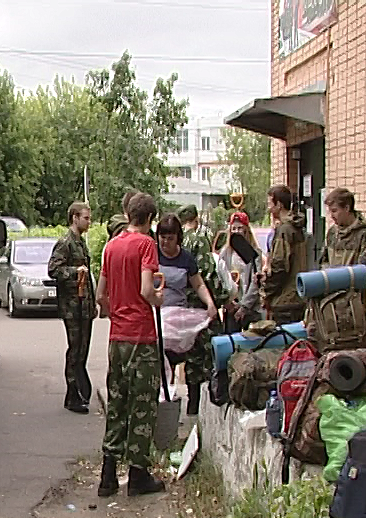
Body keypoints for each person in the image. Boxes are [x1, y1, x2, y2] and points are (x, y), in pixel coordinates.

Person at [95, 192, 166, 498]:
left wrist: (118, 311)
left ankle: (108, 476)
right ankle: (138, 475)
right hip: (141, 336)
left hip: (117, 338)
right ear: (150, 219)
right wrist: (158, 299)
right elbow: (146, 289)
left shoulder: (111, 246)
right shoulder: (146, 244)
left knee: (117, 402)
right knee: (142, 405)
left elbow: (101, 295)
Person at [156, 213, 218, 416]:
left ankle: (193, 404)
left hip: (179, 315)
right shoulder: (153, 255)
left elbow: (198, 283)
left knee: (193, 354)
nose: (165, 243)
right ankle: (165, 401)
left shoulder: (186, 259)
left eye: (170, 238)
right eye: (162, 237)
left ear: (178, 238)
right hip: (158, 314)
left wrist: (210, 303)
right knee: (162, 358)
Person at [48, 202, 98, 414]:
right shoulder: (65, 243)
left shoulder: (80, 243)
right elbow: (53, 270)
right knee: (75, 350)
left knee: (83, 350)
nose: (89, 222)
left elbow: (87, 278)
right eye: (85, 218)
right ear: (74, 218)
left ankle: (79, 391)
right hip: (72, 307)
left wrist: (93, 303)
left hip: (83, 306)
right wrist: (74, 271)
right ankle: (73, 392)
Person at [319, 187, 366, 312]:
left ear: (347, 208)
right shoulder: (332, 234)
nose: (331, 216)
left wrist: (337, 278)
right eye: (330, 212)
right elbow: (323, 261)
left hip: (352, 306)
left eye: (334, 211)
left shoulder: (364, 237)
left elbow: (363, 273)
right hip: (329, 302)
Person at [261, 185, 308, 325]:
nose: (268, 208)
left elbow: (280, 266)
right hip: (298, 296)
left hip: (284, 301)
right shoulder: (296, 227)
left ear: (279, 205)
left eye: (270, 203)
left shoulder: (284, 231)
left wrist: (266, 292)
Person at [218, 211, 263, 333]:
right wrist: (228, 301)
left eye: (240, 228)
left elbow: (256, 283)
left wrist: (244, 306)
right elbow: (221, 278)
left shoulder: (255, 253)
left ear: (246, 230)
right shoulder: (225, 253)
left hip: (251, 308)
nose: (237, 231)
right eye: (234, 228)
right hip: (232, 306)